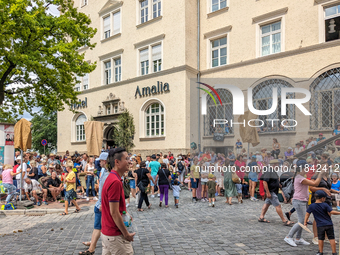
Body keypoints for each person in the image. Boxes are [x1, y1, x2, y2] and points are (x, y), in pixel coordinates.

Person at [101, 148, 135, 255]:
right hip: (115, 236)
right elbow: (114, 212)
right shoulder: (115, 181)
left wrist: (125, 213)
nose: (130, 161)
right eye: (126, 158)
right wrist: (126, 234)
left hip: (107, 233)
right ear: (117, 162)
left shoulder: (111, 177)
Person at [284, 159, 323, 247]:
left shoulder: (301, 177)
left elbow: (313, 183)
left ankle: (298, 238)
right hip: (299, 201)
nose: (307, 169)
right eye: (306, 168)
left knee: (302, 220)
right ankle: (288, 237)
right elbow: (315, 183)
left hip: (303, 200)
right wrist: (320, 174)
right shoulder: (299, 178)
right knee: (302, 221)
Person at [80, 152, 109, 255]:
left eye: (100, 161)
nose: (99, 162)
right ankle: (92, 245)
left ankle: (92, 248)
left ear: (104, 161)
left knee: (101, 227)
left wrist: (103, 203)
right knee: (98, 226)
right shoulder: (103, 170)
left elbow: (107, 191)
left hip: (103, 204)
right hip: (100, 203)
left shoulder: (109, 173)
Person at [304, 190, 340, 255]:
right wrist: (339, 213)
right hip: (329, 224)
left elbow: (307, 214)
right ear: (322, 198)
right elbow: (331, 212)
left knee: (320, 239)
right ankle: (334, 252)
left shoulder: (312, 206)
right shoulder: (325, 205)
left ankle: (320, 252)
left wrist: (305, 222)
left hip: (320, 225)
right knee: (331, 238)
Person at [258, 159, 293, 225]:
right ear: (274, 164)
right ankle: (284, 220)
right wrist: (268, 192)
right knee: (278, 205)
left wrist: (280, 186)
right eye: (277, 164)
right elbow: (265, 182)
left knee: (266, 204)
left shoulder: (273, 171)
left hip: (273, 191)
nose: (278, 165)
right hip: (271, 191)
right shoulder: (269, 171)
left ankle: (261, 217)